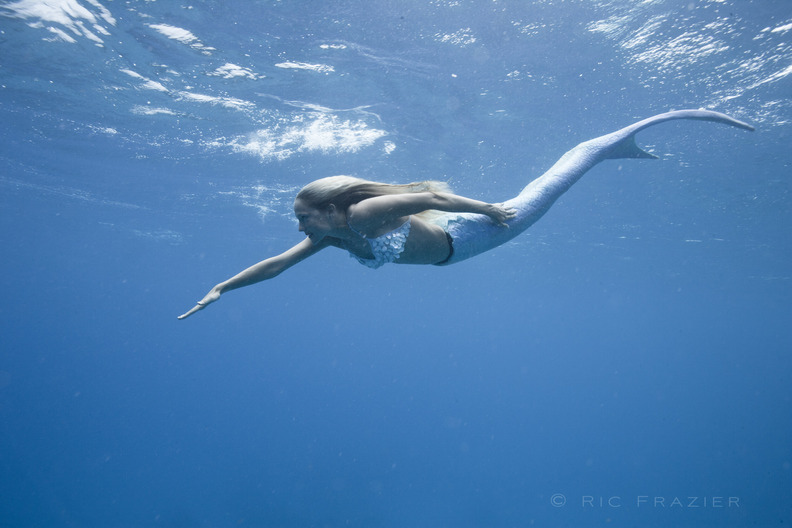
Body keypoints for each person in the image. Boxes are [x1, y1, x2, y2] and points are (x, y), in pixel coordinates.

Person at [178, 109, 753, 320]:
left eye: (304, 217)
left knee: (555, 180)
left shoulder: (369, 210)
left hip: (478, 235)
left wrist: (491, 210)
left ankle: (617, 139)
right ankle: (616, 147)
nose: (298, 227)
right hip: (450, 241)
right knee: (547, 183)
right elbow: (278, 264)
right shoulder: (332, 237)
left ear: (333, 210)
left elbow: (433, 198)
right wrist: (221, 287)